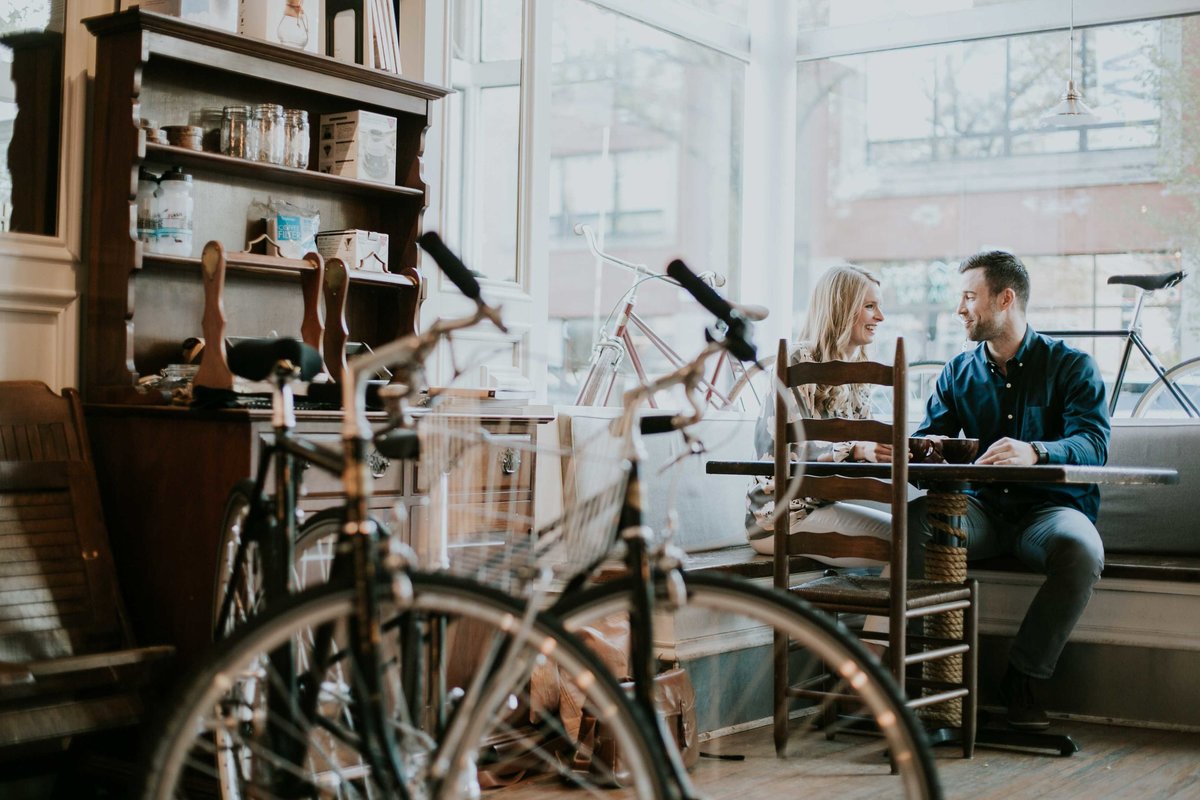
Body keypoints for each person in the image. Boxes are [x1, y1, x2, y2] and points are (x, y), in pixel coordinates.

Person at [907, 250, 1110, 731]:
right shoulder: (956, 372)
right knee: (916, 525)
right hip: (979, 510)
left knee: (1081, 551)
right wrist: (923, 453)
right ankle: (921, 680)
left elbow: (1094, 444)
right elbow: (925, 447)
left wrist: (1036, 451)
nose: (960, 310)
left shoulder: (1072, 366)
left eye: (969, 297)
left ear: (1005, 298)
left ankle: (1022, 678)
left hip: (1050, 512)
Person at [746, 264, 892, 560]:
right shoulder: (797, 361)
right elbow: (794, 449)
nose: (880, 317)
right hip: (776, 519)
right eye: (869, 306)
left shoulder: (858, 375)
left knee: (911, 534)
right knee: (905, 543)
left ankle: (870, 608)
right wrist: (857, 449)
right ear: (842, 308)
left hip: (819, 508)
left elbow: (854, 455)